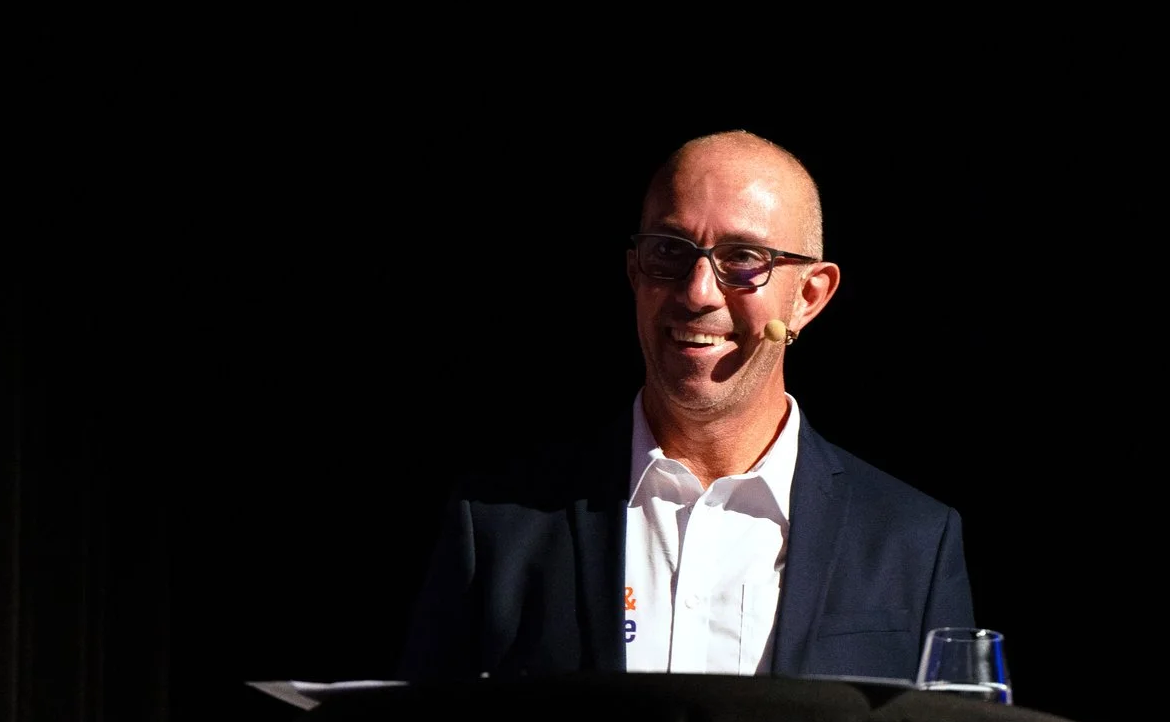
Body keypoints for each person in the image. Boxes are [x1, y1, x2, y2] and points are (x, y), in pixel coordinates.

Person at [402, 130, 972, 680]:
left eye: (745, 258)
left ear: (808, 297)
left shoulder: (911, 540)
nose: (699, 290)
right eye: (670, 251)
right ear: (633, 272)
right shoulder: (503, 522)